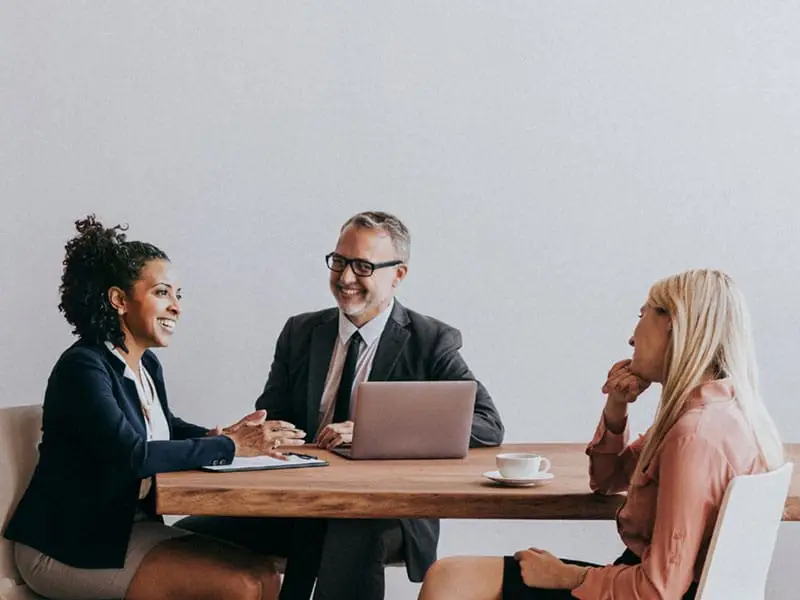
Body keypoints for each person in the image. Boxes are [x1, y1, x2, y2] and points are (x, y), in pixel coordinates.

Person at [177, 211, 505, 600]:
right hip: (298, 500)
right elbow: (272, 415)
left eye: (363, 266)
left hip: (387, 509)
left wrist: (375, 432)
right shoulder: (300, 332)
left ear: (398, 274)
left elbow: (487, 425)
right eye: (339, 261)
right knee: (183, 538)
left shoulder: (430, 341)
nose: (346, 278)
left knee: (352, 529)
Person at [417, 269, 786, 600]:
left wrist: (567, 577)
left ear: (673, 323)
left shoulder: (695, 435)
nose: (631, 337)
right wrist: (617, 406)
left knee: (449, 582)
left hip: (644, 590)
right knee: (451, 576)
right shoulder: (718, 411)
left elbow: (659, 590)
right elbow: (607, 480)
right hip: (643, 579)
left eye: (642, 315)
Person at [4, 215, 305, 600]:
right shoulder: (83, 367)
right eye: (163, 292)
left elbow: (166, 428)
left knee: (263, 573)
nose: (176, 307)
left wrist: (225, 436)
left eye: (179, 295)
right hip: (67, 546)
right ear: (119, 299)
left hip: (123, 527)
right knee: (241, 585)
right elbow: (132, 455)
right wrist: (230, 446)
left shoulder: (145, 364)